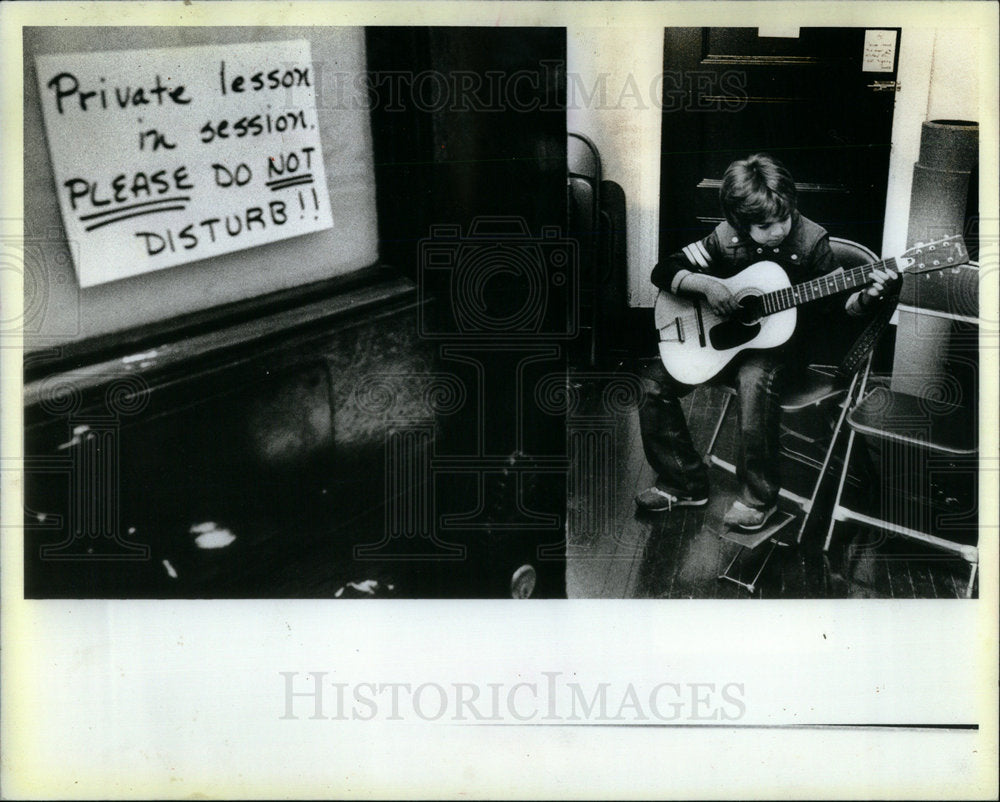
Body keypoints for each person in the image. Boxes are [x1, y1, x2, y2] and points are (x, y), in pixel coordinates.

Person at [635, 153, 898, 530]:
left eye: (783, 218)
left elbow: (841, 313)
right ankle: (684, 482)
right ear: (740, 223)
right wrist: (706, 284)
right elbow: (665, 271)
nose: (776, 230)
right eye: (763, 225)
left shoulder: (812, 241)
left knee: (753, 379)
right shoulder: (725, 238)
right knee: (652, 381)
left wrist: (868, 298)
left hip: (783, 352)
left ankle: (758, 498)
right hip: (723, 348)